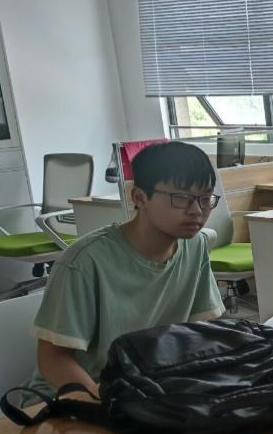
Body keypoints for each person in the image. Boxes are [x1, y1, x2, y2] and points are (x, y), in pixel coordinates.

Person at [31, 140, 225, 395]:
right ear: (139, 197)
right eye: (181, 198)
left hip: (149, 387)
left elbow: (203, 328)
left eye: (205, 198)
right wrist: (102, 401)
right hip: (75, 396)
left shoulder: (195, 245)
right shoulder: (84, 261)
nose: (197, 210)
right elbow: (53, 360)